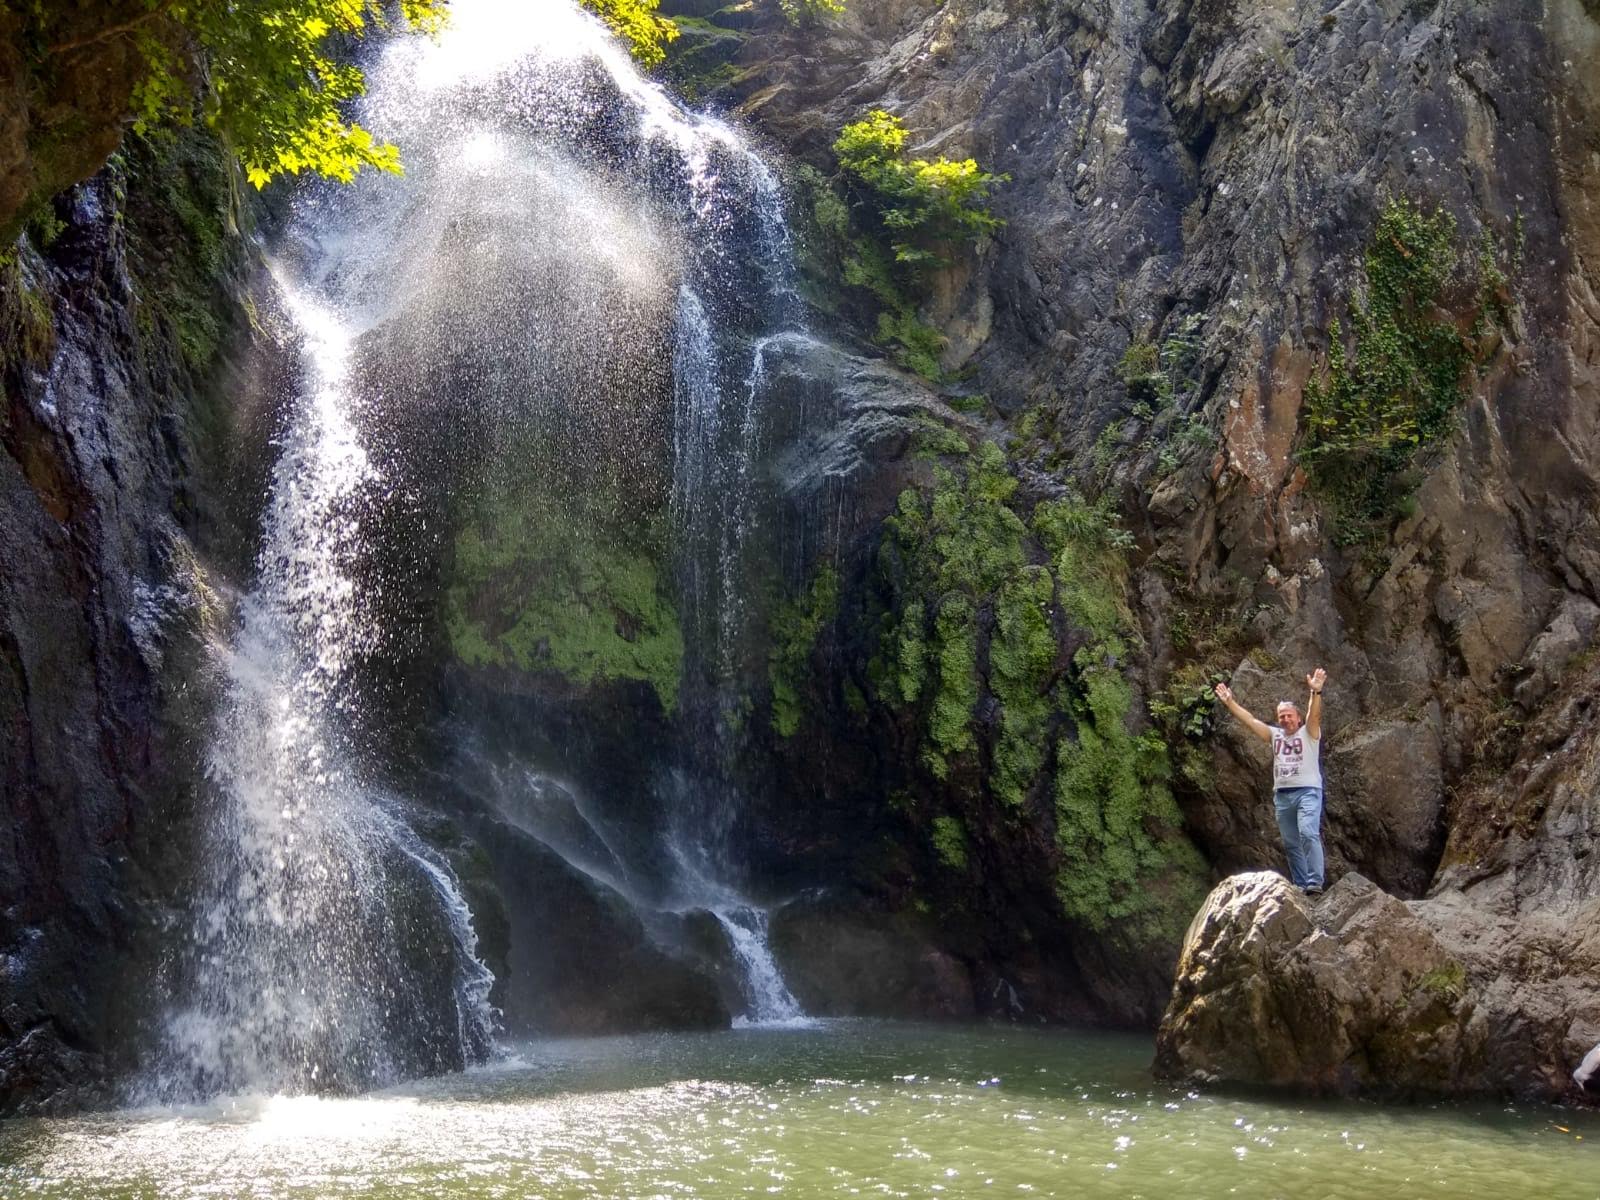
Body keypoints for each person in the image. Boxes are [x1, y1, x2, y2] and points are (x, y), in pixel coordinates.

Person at [1213, 667, 1328, 895]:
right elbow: (1250, 720)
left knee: (1308, 833)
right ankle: (1301, 885)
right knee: (1291, 843)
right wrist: (1230, 703)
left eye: (1289, 715)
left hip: (1307, 791)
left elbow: (1313, 714)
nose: (1285, 719)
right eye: (1281, 716)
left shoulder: (1309, 732)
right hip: (1283, 796)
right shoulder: (1274, 735)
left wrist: (1316, 692)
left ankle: (1315, 882)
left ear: (1298, 718)